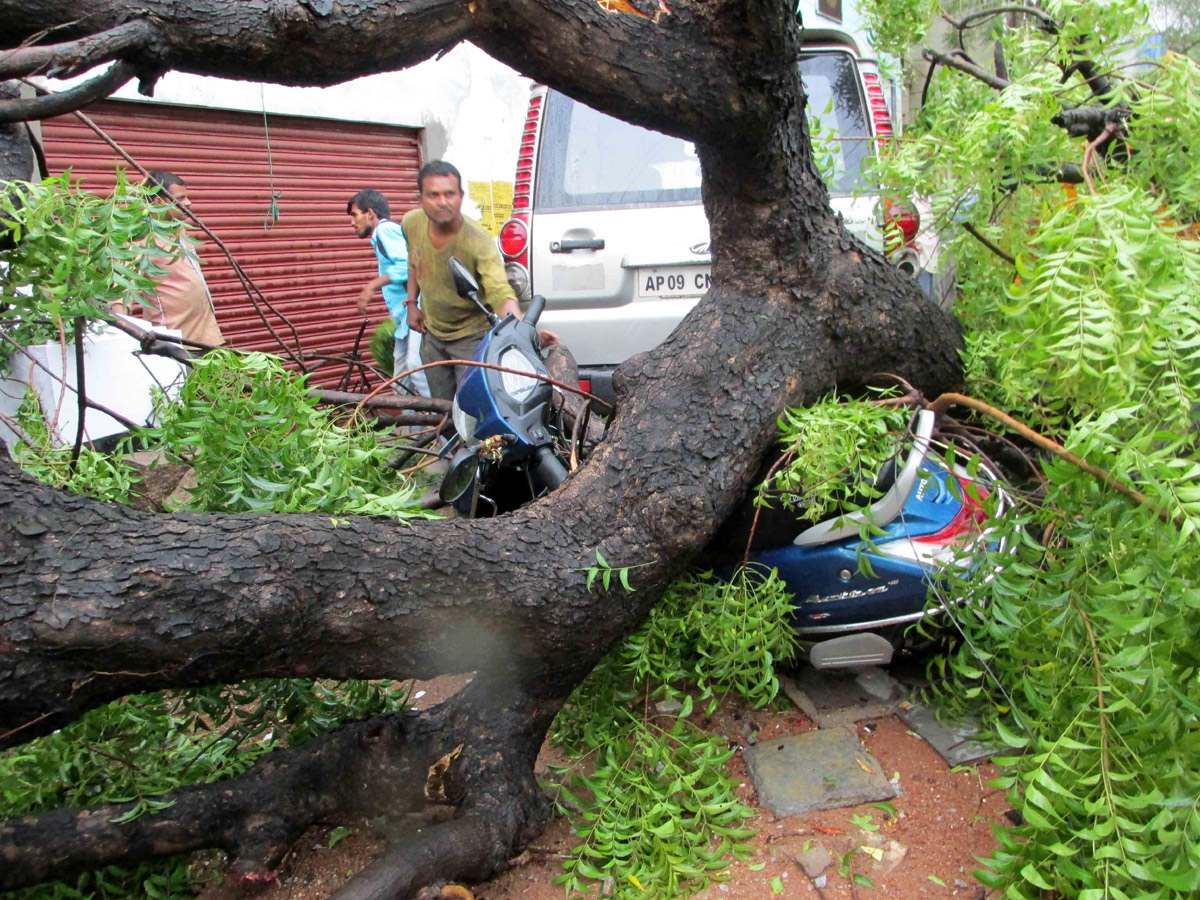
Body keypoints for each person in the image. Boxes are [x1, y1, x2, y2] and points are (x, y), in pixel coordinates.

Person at [401, 160, 522, 401]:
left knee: (469, 408)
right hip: (432, 335)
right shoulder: (411, 223)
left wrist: (520, 332)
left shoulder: (477, 240)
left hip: (471, 337)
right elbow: (414, 260)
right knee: (442, 409)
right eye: (433, 195)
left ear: (461, 196)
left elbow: (499, 290)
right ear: (421, 198)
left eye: (449, 194)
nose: (442, 202)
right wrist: (412, 303)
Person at [116, 170, 225, 346]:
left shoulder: (178, 228)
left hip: (206, 335)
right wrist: (118, 335)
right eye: (180, 198)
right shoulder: (141, 239)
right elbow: (121, 291)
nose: (188, 203)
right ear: (159, 201)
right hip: (174, 341)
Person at [347, 188, 429, 396]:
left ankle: (447, 421)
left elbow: (406, 265)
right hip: (403, 319)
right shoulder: (381, 236)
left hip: (415, 313)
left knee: (416, 368)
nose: (352, 222)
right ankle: (418, 428)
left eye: (355, 215)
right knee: (400, 383)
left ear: (370, 213)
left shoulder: (384, 231)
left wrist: (371, 286)